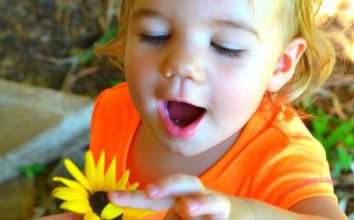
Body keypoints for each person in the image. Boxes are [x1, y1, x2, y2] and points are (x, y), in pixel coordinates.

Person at [44, 0, 348, 219]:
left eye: (226, 46)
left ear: (281, 64)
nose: (182, 65)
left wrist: (241, 213)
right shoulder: (115, 109)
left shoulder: (280, 157)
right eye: (155, 34)